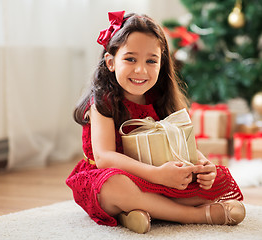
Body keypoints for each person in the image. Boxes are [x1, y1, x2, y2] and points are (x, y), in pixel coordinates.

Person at [66, 11, 245, 234]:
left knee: (216, 179)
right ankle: (193, 215)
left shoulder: (160, 100)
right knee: (115, 186)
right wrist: (156, 175)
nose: (141, 70)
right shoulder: (103, 102)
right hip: (116, 176)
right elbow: (104, 158)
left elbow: (182, 146)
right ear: (111, 62)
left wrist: (202, 165)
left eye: (151, 61)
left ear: (161, 65)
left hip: (157, 176)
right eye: (130, 59)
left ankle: (138, 211)